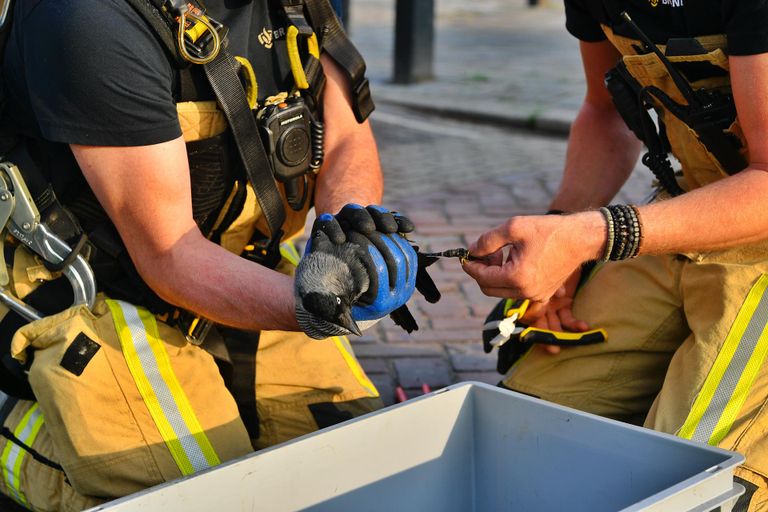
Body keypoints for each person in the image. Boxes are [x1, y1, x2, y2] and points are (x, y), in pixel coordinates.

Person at [0, 0, 417, 509]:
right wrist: (310, 305)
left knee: (359, 471)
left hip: (239, 263)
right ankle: (32, 423)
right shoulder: (87, 18)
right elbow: (169, 254)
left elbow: (347, 135)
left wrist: (351, 231)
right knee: (197, 497)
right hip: (102, 293)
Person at [463, 1, 768, 509]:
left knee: (695, 487)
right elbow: (605, 115)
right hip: (685, 218)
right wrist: (562, 235)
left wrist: (594, 235)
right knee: (522, 431)